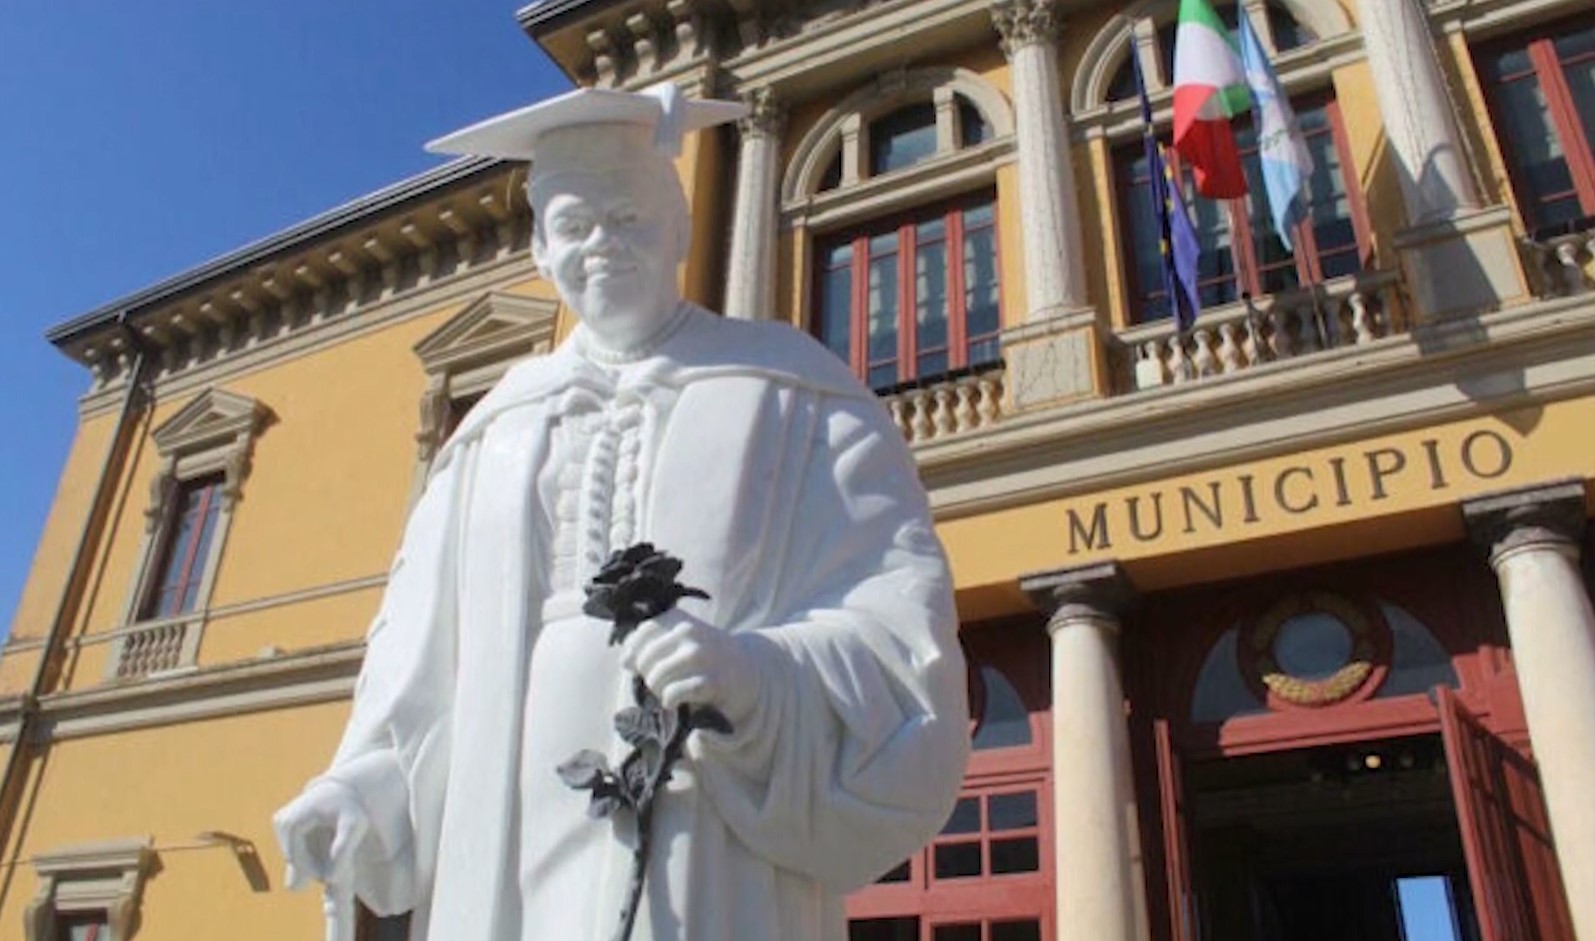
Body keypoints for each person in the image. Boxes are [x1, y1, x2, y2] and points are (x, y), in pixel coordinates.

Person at [273, 84, 970, 941]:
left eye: (628, 217)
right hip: (507, 837)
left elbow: (896, 620)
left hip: (708, 836)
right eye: (573, 226)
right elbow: (417, 670)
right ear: (537, 249)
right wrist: (358, 790)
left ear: (677, 223)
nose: (601, 246)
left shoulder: (795, 394)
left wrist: (757, 678)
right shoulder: (490, 432)